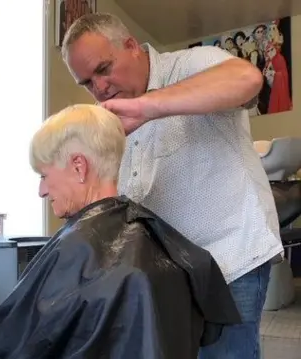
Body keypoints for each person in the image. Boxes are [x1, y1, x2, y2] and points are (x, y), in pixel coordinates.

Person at [0, 104, 240, 359]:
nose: (42, 190)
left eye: (44, 176)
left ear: (78, 166)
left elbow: (12, 345)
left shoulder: (81, 246)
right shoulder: (153, 235)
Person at [61, 13, 282, 358]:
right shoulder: (108, 119)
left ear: (131, 46)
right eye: (87, 82)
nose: (99, 88)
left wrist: (146, 107)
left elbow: (248, 78)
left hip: (230, 257)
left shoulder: (193, 63)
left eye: (104, 69)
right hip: (172, 273)